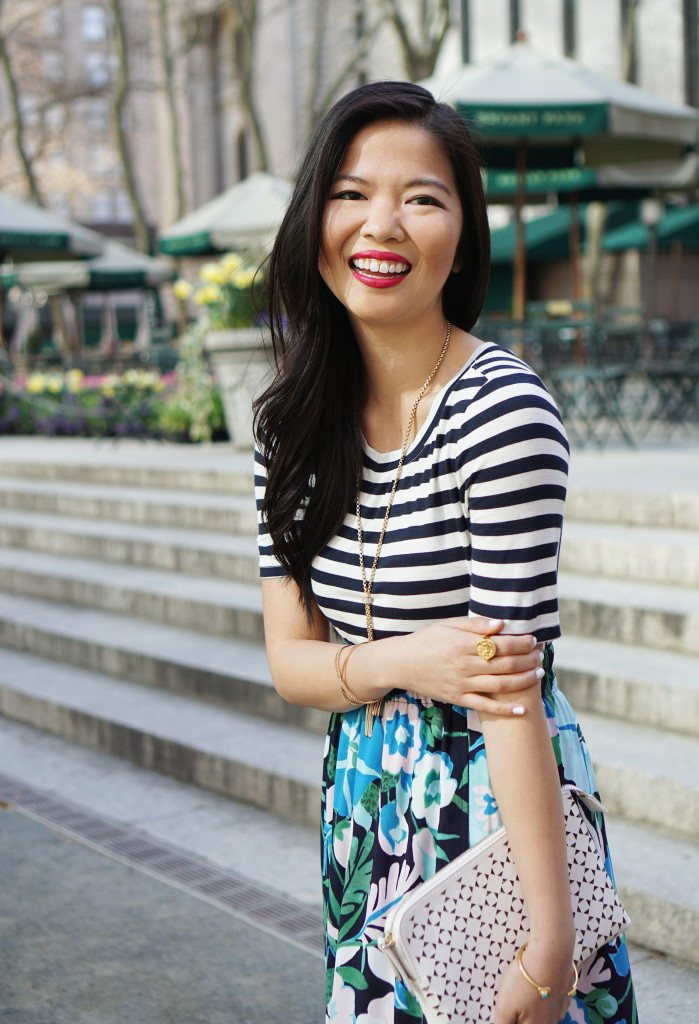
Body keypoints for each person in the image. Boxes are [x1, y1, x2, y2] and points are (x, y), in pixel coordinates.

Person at [254, 81, 638, 1024]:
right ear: (315, 217)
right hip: (362, 807)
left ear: (461, 234)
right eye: (350, 193)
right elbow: (286, 661)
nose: (380, 224)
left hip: (496, 816)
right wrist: (405, 660)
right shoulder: (292, 424)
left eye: (421, 198)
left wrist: (549, 941)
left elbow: (506, 689)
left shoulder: (500, 410)